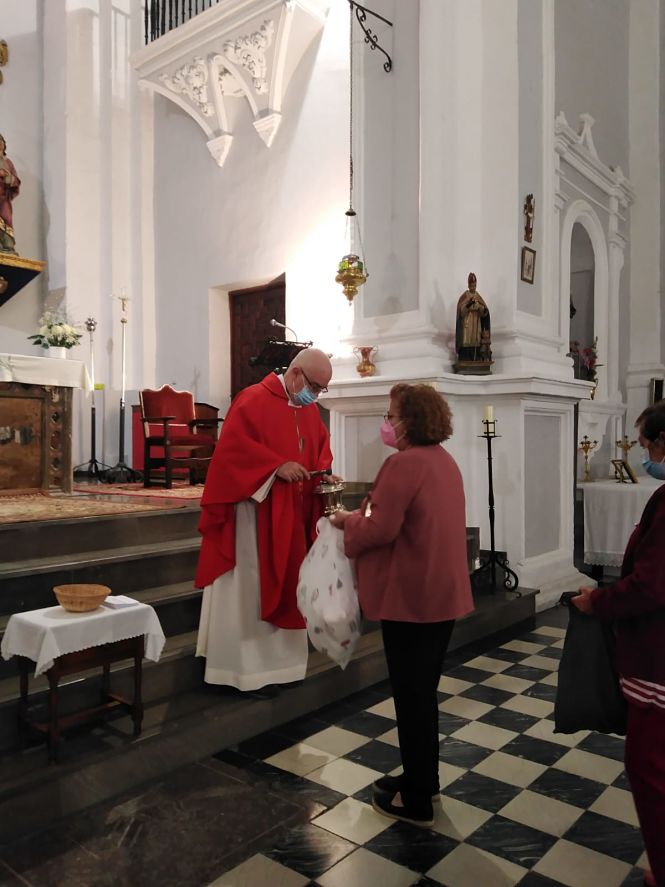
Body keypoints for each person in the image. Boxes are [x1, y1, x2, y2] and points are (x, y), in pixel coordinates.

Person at [330, 383, 474, 827]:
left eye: (391, 415)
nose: (387, 423)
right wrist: (365, 516)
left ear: (410, 421)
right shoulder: (443, 461)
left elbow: (379, 527)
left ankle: (417, 799)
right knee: (421, 694)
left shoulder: (403, 464)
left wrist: (346, 522)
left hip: (413, 598)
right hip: (440, 594)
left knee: (412, 698)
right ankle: (422, 779)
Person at [195, 347, 334, 691]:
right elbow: (230, 455)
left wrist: (324, 475)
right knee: (250, 590)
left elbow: (319, 452)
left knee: (290, 583)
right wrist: (274, 467)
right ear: (296, 373)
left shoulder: (308, 410)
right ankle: (245, 673)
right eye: (315, 387)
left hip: (292, 518)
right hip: (254, 518)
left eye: (322, 390)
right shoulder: (252, 399)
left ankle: (284, 668)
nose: (316, 395)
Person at [573, 402, 665, 887]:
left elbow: (652, 585)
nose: (646, 455)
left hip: (659, 654)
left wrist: (599, 602)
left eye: (648, 445)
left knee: (650, 766)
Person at [455, 272, 491, 364]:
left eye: (474, 285)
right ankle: (465, 357)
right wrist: (468, 305)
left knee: (476, 340)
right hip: (467, 323)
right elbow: (461, 311)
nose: (473, 287)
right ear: (468, 285)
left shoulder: (478, 296)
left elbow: (484, 312)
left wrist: (481, 308)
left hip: (476, 323)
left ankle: (476, 358)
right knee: (466, 340)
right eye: (471, 285)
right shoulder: (464, 296)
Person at [0, 135, 20, 253]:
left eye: (1, 141)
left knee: (7, 218)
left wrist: (9, 178)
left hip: (4, 197)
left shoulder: (8, 163)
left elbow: (16, 180)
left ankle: (8, 245)